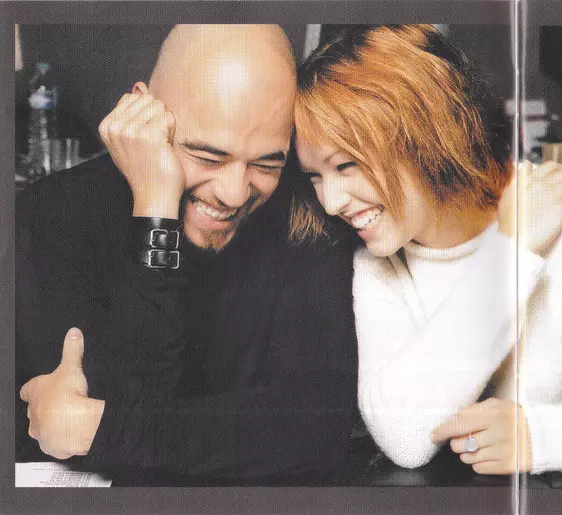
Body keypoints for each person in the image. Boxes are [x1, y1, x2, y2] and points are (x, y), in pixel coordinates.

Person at [17, 25, 359, 486]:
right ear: (142, 115)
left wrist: (105, 430)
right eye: (207, 157)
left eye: (266, 163)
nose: (234, 193)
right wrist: (155, 208)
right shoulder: (47, 217)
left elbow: (317, 426)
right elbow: (123, 431)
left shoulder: (308, 214)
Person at [292, 25, 562, 475]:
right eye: (315, 177)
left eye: (346, 165)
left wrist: (550, 435)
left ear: (425, 134)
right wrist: (511, 253)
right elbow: (403, 435)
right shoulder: (381, 262)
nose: (331, 203)